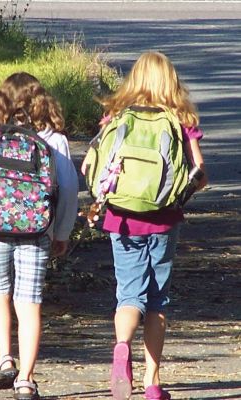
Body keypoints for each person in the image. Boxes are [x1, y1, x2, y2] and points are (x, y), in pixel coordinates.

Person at [82, 51, 207, 400]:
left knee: (129, 293)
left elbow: (91, 167)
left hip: (121, 218)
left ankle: (122, 346)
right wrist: (178, 192)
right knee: (158, 299)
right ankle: (153, 383)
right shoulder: (181, 117)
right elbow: (199, 173)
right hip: (164, 219)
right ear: (171, 81)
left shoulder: (116, 116)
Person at [0, 72, 78, 400]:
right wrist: (62, 232)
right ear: (42, 101)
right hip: (37, 229)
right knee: (29, 302)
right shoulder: (53, 139)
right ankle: (25, 379)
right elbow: (68, 189)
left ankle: (4, 359)